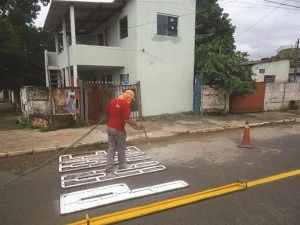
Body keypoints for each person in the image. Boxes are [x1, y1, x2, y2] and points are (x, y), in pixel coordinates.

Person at [104, 90, 141, 176]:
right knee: (121, 147)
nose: (131, 101)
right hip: (118, 129)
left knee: (111, 147)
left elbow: (106, 111)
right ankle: (122, 165)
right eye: (131, 99)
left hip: (109, 128)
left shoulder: (113, 101)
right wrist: (135, 124)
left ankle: (108, 167)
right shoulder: (125, 105)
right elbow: (126, 119)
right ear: (129, 98)